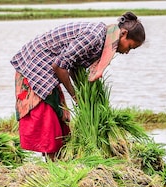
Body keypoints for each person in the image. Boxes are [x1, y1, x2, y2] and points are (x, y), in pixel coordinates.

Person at [10, 11, 145, 160]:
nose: (127, 52)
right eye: (130, 47)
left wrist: (84, 94)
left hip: (48, 69)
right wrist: (76, 97)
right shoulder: (94, 37)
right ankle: (52, 167)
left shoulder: (103, 39)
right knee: (48, 119)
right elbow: (59, 66)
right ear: (123, 34)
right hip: (37, 66)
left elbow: (74, 67)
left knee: (59, 121)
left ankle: (54, 163)